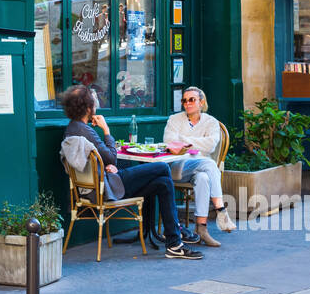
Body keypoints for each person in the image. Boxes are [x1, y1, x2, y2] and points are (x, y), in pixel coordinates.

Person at [58, 84, 202, 260]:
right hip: (107, 189)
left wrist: (107, 165)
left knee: (163, 183)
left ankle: (174, 243)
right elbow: (111, 157)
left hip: (95, 189)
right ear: (88, 108)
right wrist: (106, 130)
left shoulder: (72, 129)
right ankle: (176, 233)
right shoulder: (87, 131)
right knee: (162, 168)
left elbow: (103, 160)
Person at [163, 86, 235, 245]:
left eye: (191, 99)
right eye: (184, 100)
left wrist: (184, 140)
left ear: (201, 102)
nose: (187, 103)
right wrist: (194, 144)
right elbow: (170, 143)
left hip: (199, 169)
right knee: (209, 163)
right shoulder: (174, 120)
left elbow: (210, 145)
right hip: (178, 167)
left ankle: (201, 229)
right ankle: (221, 211)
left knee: (203, 177)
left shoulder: (211, 122)